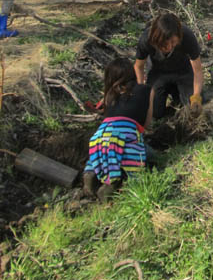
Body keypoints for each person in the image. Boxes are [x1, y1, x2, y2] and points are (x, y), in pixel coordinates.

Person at [83, 57, 154, 202]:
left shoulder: (108, 96)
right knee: (145, 155)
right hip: (125, 134)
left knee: (100, 156)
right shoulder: (146, 90)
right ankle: (112, 183)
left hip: (100, 135)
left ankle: (91, 172)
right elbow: (146, 124)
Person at [134, 12, 203, 120]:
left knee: (191, 107)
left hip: (183, 71)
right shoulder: (146, 39)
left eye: (173, 42)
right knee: (154, 112)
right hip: (158, 73)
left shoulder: (187, 36)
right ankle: (169, 90)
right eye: (165, 44)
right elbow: (138, 66)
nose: (170, 47)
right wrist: (140, 89)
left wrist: (196, 96)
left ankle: (176, 91)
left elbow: (198, 70)